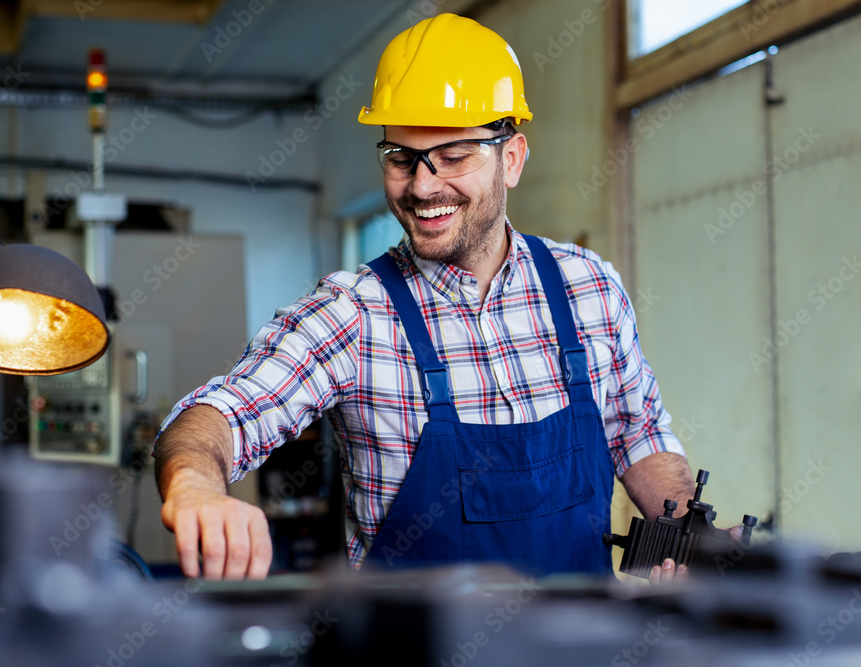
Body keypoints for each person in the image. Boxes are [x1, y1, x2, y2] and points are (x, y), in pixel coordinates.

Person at [155, 13, 698, 581]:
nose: (422, 185)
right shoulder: (354, 315)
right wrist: (195, 487)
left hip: (580, 649)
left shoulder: (588, 287)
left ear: (511, 158)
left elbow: (638, 432)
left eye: (454, 156)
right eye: (400, 158)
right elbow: (221, 414)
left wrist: (687, 539)